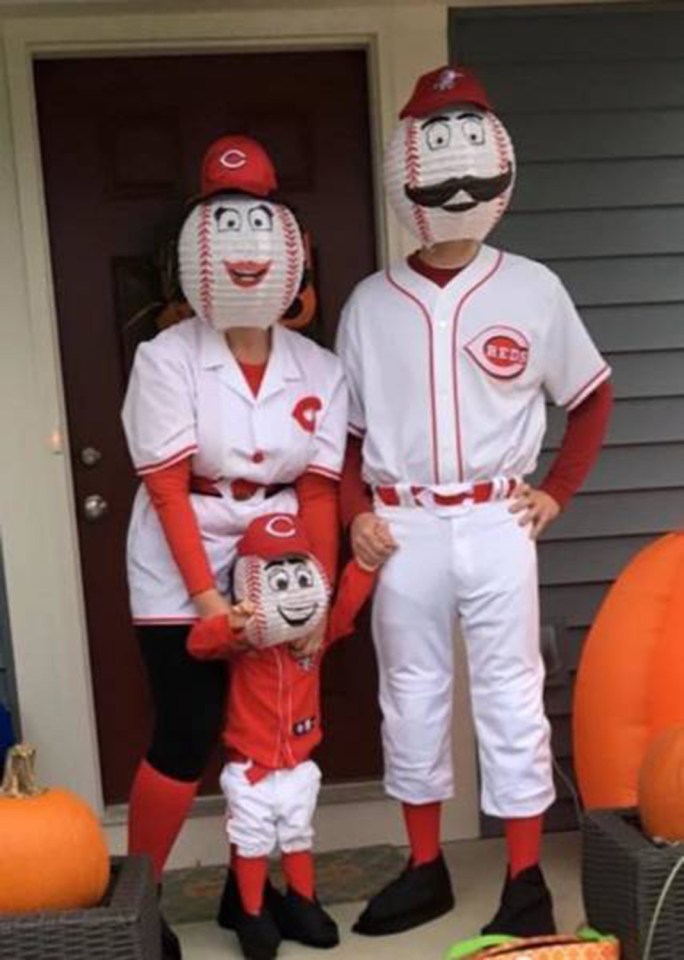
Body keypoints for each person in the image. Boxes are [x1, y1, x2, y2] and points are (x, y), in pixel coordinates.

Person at [336, 65, 613, 939]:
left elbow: (593, 393)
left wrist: (558, 491)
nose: (455, 173)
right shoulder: (370, 302)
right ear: (404, 166)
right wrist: (354, 513)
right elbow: (342, 435)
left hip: (498, 515)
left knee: (510, 694)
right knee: (410, 694)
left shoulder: (531, 286)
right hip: (404, 520)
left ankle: (524, 879)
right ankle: (427, 868)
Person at [121, 136, 347, 960]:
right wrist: (211, 599)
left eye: (261, 229)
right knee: (186, 727)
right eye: (226, 229)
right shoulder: (164, 357)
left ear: (285, 249)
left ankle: (248, 894)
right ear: (199, 251)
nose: (245, 250)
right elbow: (168, 484)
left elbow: (320, 489)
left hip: (282, 556)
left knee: (272, 729)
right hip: (180, 560)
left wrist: (314, 601)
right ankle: (138, 906)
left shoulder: (319, 366)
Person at [187, 512, 377, 960]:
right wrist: (233, 625)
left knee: (297, 836)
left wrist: (364, 566)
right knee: (251, 840)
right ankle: (251, 913)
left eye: (299, 577)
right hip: (250, 765)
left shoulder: (314, 637)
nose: (291, 594)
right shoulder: (244, 647)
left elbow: (346, 604)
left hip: (298, 763)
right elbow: (198, 643)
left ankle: (302, 902)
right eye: (277, 580)